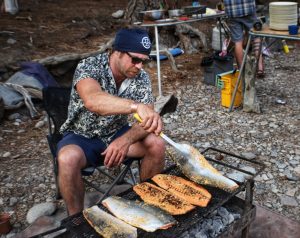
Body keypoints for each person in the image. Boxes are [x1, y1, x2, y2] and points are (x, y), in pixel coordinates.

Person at [56, 28, 166, 215]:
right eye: (135, 59)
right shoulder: (89, 66)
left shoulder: (141, 77)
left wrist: (125, 140)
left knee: (157, 144)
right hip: (82, 136)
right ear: (117, 52)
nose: (140, 66)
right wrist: (135, 106)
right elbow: (93, 100)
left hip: (117, 131)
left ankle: (149, 204)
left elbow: (147, 121)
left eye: (144, 61)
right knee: (67, 158)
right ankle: (76, 219)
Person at [223, 0, 264, 77]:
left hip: (232, 11)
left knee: (237, 41)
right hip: (248, 8)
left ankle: (242, 70)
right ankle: (260, 68)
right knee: (256, 36)